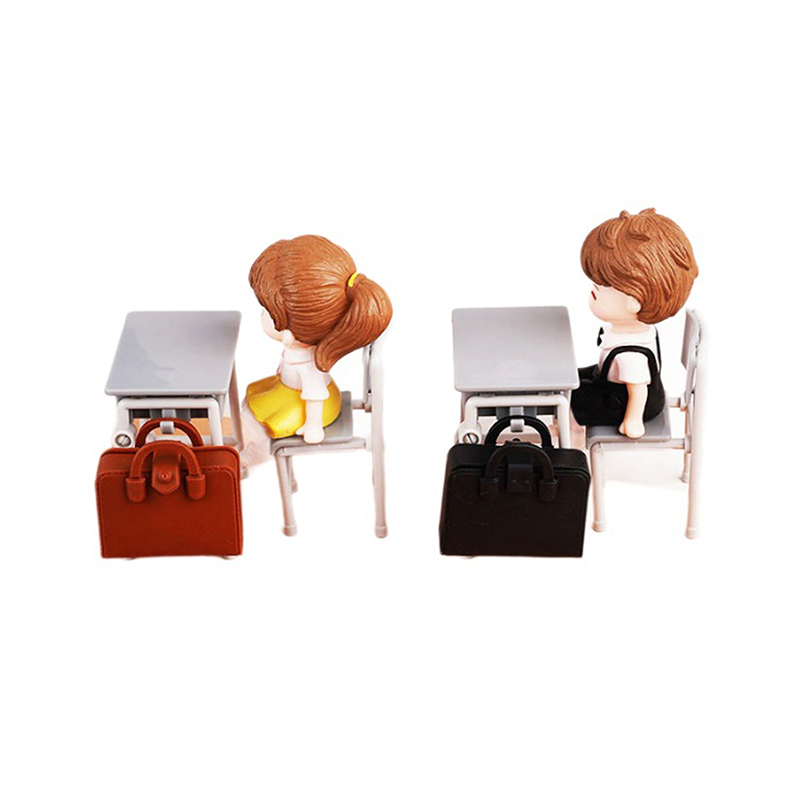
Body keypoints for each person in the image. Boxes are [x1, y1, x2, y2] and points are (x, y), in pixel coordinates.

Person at [241, 235, 392, 464]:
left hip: (316, 407)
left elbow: (315, 393)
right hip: (291, 390)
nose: (263, 316)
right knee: (250, 399)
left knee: (256, 421)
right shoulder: (298, 351)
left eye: (268, 313)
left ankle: (251, 458)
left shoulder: (308, 365)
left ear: (292, 333)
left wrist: (313, 426)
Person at [571, 209, 698, 438]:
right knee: (571, 378)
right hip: (613, 386)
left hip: (621, 404)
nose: (592, 293)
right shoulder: (640, 332)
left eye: (598, 290)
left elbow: (638, 391)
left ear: (633, 302)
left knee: (573, 397)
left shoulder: (630, 355)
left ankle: (572, 432)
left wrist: (632, 421)